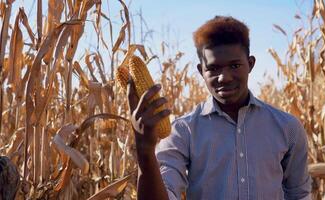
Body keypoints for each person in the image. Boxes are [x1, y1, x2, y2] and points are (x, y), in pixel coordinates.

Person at [127, 16, 311, 200]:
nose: (224, 77)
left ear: (251, 64)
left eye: (235, 65)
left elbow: (299, 195)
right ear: (201, 71)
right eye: (213, 68)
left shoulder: (287, 128)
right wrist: (145, 150)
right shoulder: (183, 131)